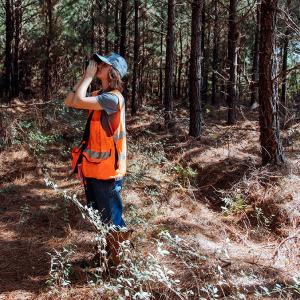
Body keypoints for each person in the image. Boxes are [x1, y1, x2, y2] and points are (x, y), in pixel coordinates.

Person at [64, 52, 131, 267]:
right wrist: (85, 77)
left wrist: (86, 78)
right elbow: (71, 101)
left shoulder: (112, 99)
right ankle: (104, 258)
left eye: (103, 64)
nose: (98, 65)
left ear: (112, 71)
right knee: (99, 218)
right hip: (95, 169)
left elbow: (80, 99)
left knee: (112, 220)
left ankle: (120, 265)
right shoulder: (101, 94)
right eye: (98, 63)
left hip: (107, 172)